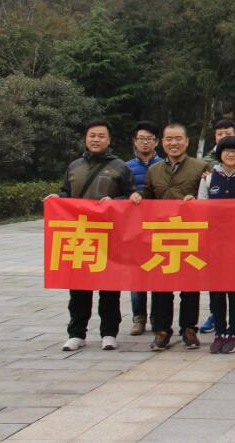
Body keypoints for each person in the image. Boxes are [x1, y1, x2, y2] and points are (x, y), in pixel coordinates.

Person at [50, 120, 135, 351]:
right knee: (78, 288)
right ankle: (76, 333)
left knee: (109, 288)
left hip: (109, 236)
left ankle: (109, 333)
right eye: (92, 135)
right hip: (80, 236)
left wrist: (114, 201)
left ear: (109, 139)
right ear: (86, 138)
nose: (96, 139)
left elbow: (131, 197)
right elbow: (66, 193)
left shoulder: (119, 167)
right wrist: (57, 199)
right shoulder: (74, 166)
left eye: (101, 136)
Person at [130, 123, 208, 352]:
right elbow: (148, 194)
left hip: (190, 235)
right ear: (162, 142)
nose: (174, 143)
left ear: (187, 141)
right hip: (162, 236)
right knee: (161, 286)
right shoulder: (154, 170)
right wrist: (138, 195)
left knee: (190, 286)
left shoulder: (201, 167)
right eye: (169, 139)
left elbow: (209, 197)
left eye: (178, 139)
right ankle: (162, 330)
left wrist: (196, 200)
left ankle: (189, 329)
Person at [199, 119, 235, 336]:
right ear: (219, 153)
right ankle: (219, 329)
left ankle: (234, 330)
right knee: (216, 286)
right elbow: (201, 209)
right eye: (226, 151)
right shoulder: (208, 178)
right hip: (215, 242)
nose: (230, 154)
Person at [125, 120, 160, 337]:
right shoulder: (125, 167)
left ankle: (157, 316)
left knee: (158, 273)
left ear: (156, 142)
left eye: (149, 139)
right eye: (141, 139)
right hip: (134, 229)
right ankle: (139, 317)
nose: (145, 142)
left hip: (159, 228)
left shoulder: (164, 166)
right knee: (136, 275)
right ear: (134, 142)